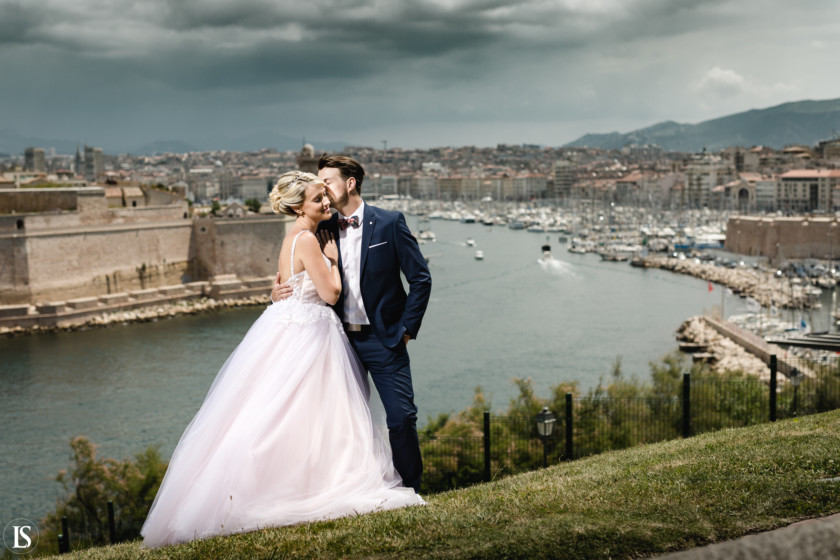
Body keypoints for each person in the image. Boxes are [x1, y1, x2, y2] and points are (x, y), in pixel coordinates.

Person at [140, 171, 424, 549]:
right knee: (319, 415)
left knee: (289, 415)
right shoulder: (310, 240)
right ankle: (320, 485)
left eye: (326, 195)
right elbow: (330, 292)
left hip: (291, 328)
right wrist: (333, 259)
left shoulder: (291, 238)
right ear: (296, 207)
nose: (326, 203)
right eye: (317, 199)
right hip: (315, 332)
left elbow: (290, 285)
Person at [272, 154, 432, 493]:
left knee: (401, 418)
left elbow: (420, 278)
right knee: (341, 423)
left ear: (350, 183)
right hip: (337, 341)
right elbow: (297, 271)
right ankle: (348, 489)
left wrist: (406, 330)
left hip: (385, 339)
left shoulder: (389, 223)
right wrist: (275, 293)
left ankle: (411, 488)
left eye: (327, 181)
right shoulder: (320, 228)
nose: (323, 190)